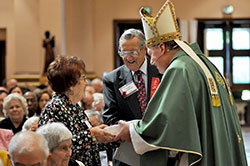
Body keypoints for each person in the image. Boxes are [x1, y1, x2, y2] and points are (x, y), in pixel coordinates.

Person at [116, 0, 248, 166]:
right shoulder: (199, 62)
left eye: (151, 53)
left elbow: (165, 124)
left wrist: (132, 130)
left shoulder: (179, 69)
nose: (151, 62)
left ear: (162, 48)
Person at [39, 56, 116, 166]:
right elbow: (56, 147)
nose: (86, 83)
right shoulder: (55, 107)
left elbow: (88, 145)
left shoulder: (74, 107)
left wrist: (110, 137)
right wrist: (92, 135)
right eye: (83, 78)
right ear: (70, 85)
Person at [102, 28, 161, 126]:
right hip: (129, 138)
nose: (128, 58)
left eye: (133, 52)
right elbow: (109, 118)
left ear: (144, 49)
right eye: (124, 52)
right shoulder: (112, 80)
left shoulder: (162, 71)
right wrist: (134, 130)